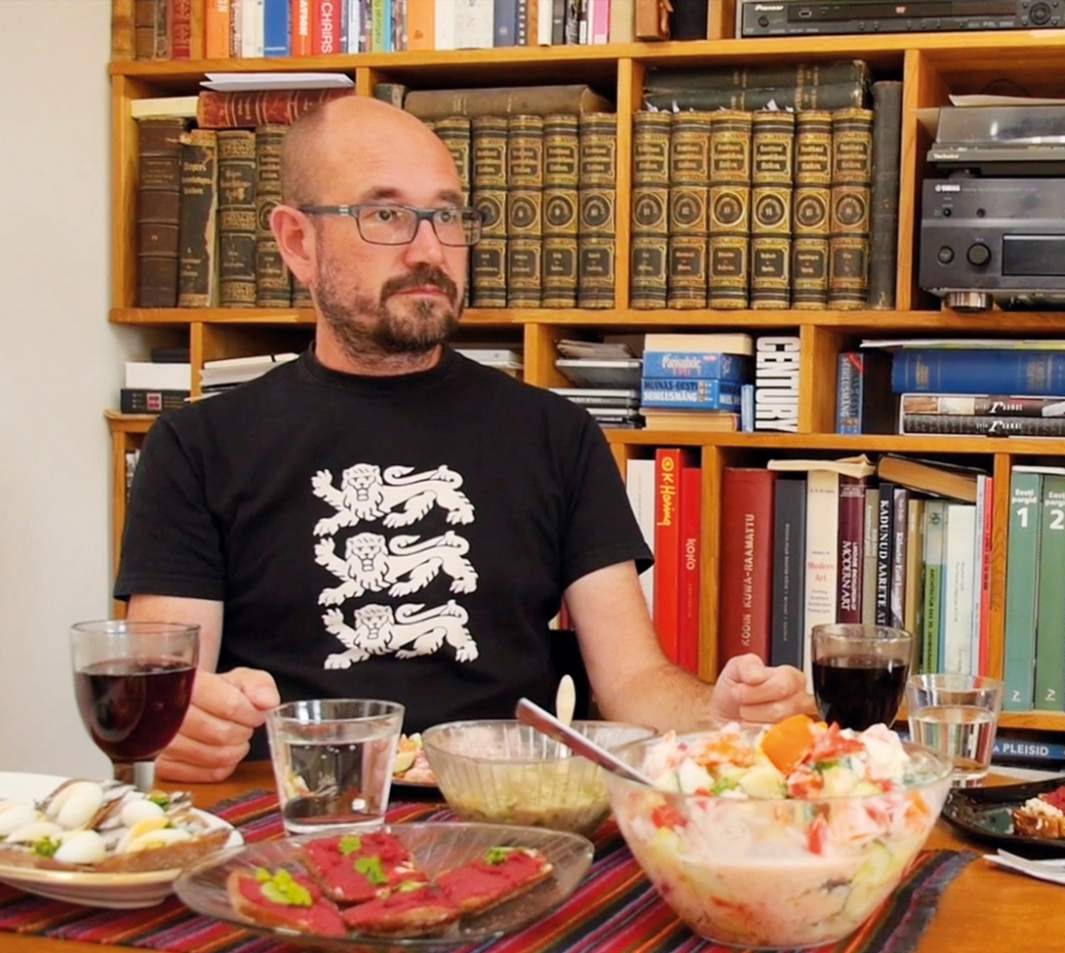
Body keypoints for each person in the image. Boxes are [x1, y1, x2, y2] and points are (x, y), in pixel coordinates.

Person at [115, 97, 812, 783]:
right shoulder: (196, 447)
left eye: (447, 215)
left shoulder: (556, 435)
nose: (429, 250)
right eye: (385, 214)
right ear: (298, 241)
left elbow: (632, 682)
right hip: (293, 814)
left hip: (507, 811)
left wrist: (722, 715)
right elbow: (167, 698)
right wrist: (184, 727)